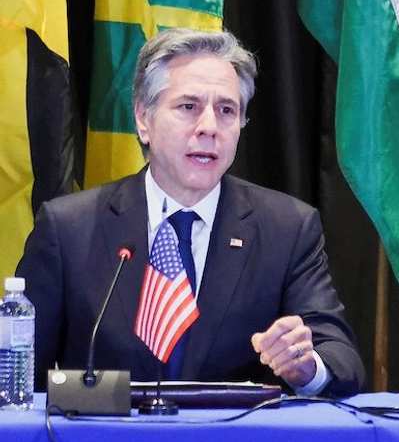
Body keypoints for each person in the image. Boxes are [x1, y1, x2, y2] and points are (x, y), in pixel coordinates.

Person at [18, 28, 365, 396]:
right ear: (143, 118)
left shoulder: (287, 228)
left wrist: (305, 366)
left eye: (227, 110)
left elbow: (342, 360)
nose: (209, 128)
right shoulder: (69, 228)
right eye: (188, 107)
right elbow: (16, 372)